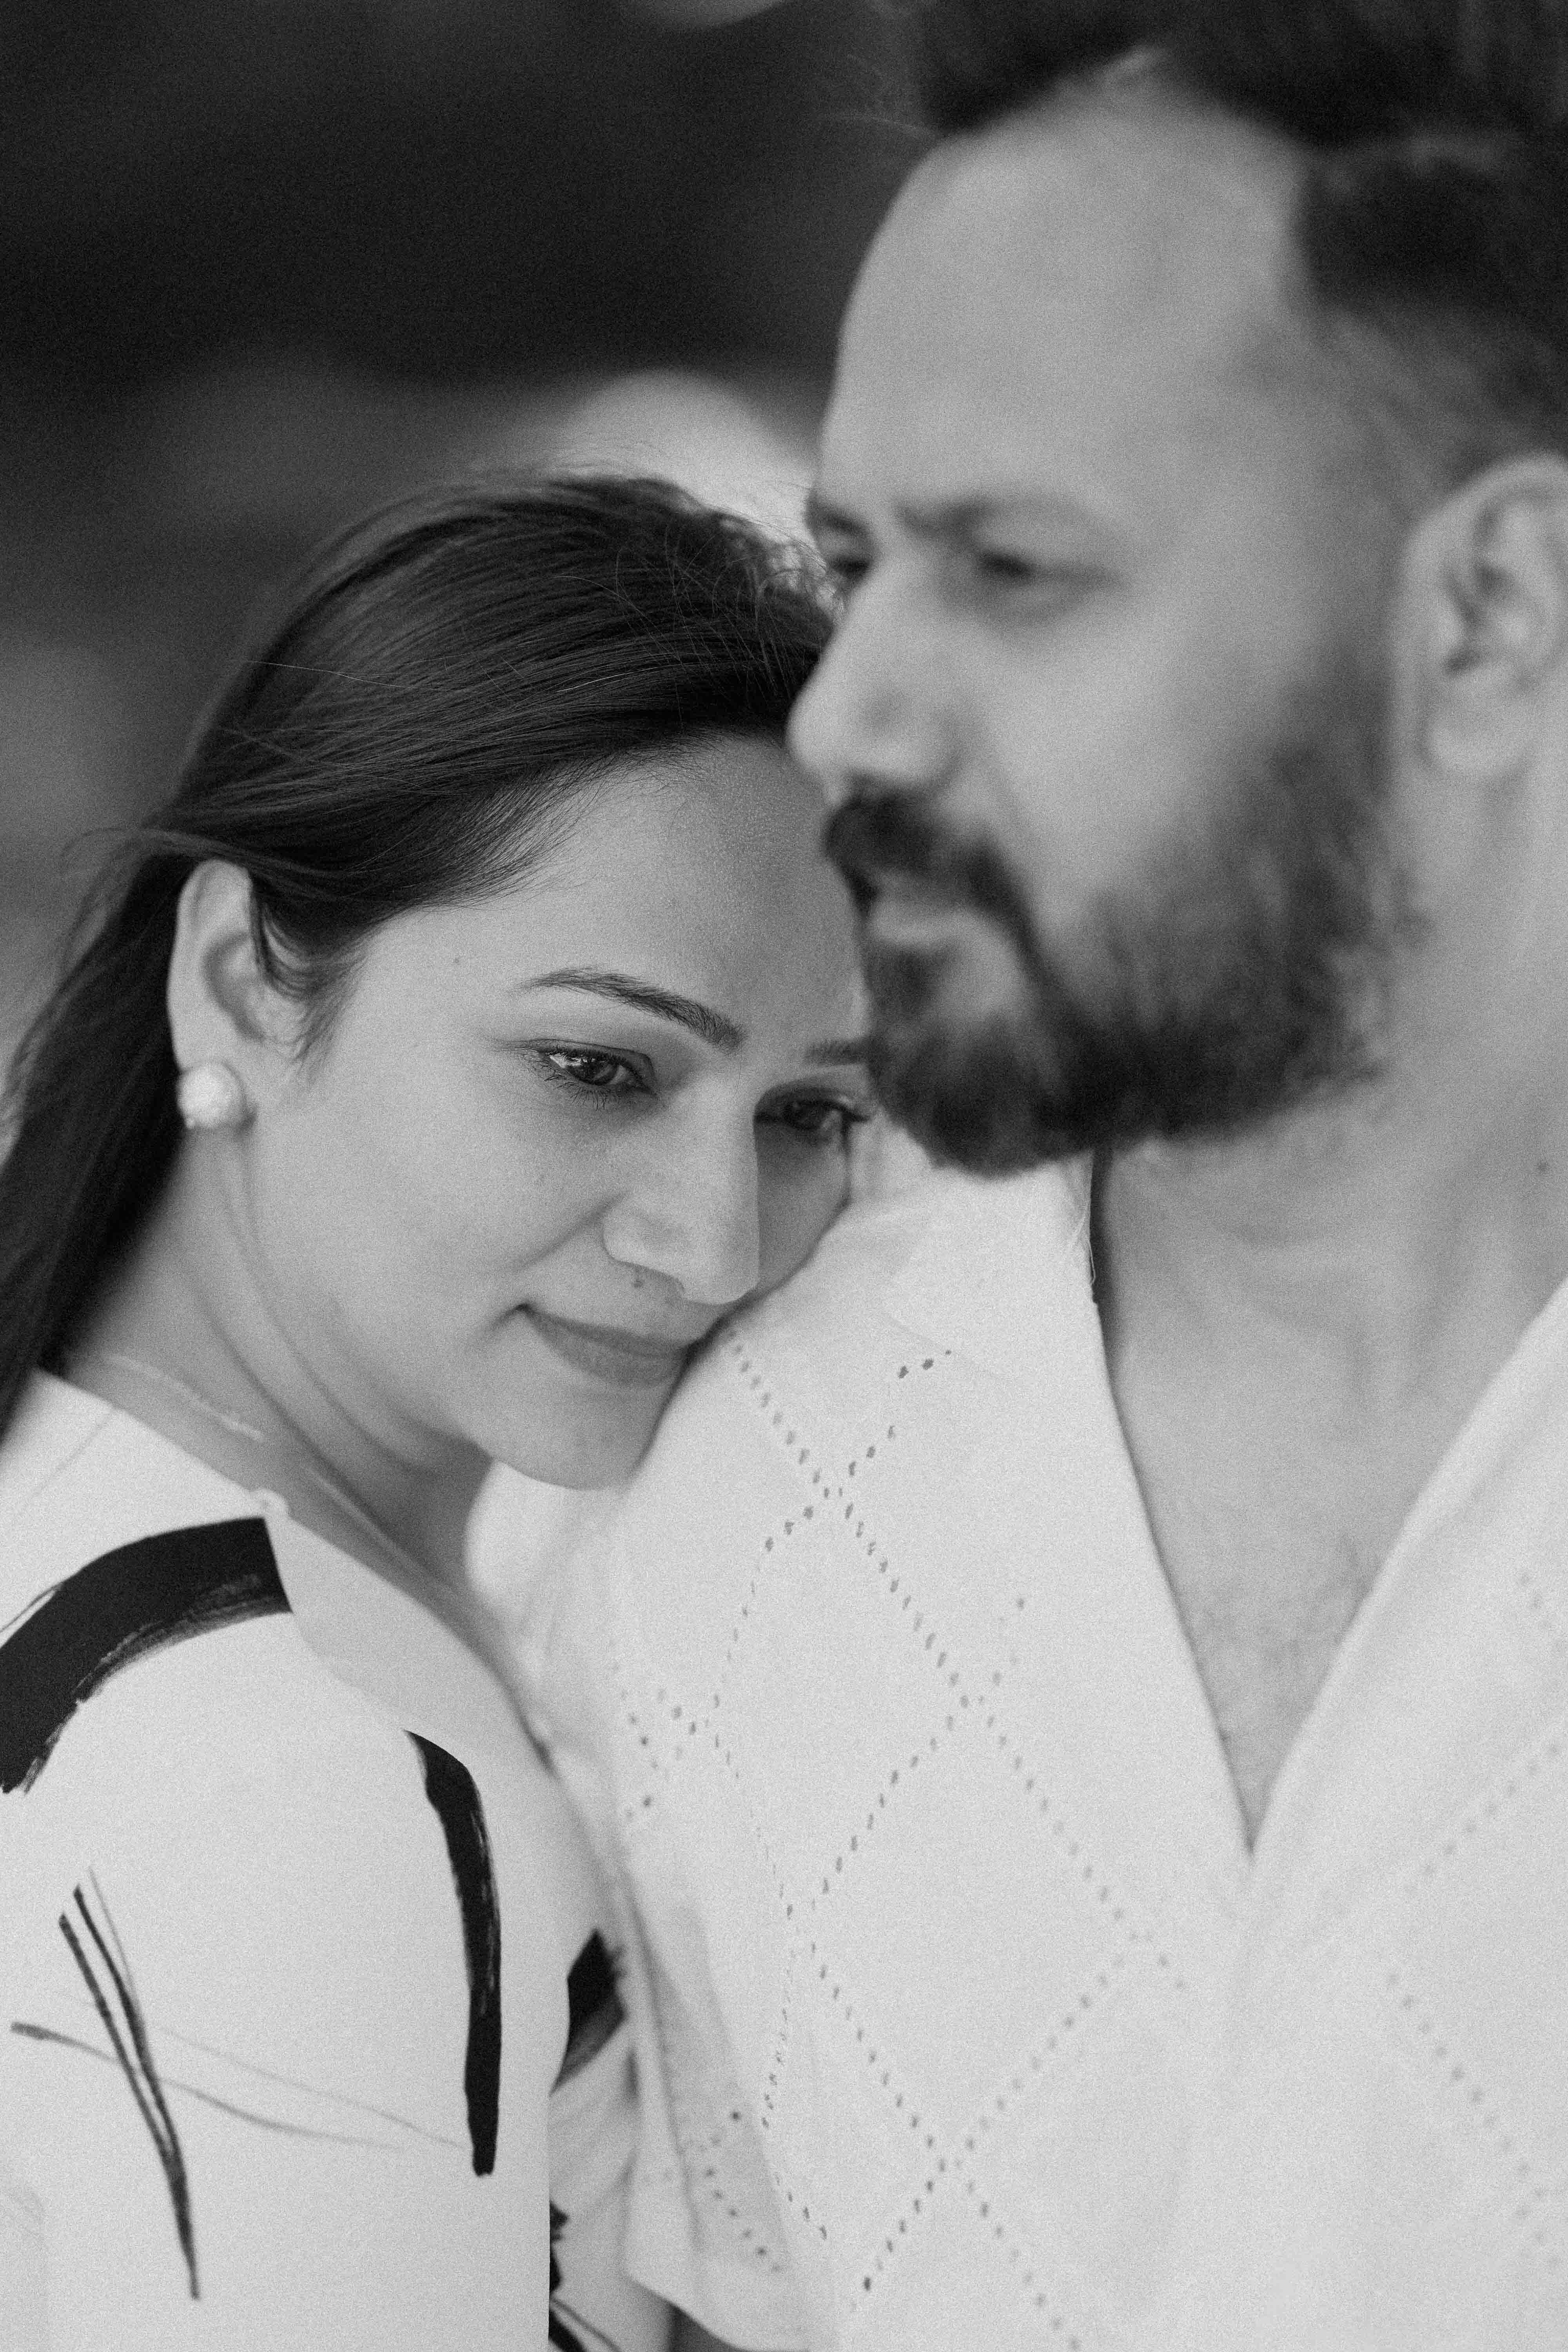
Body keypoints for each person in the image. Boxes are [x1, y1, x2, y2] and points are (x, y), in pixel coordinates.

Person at [518, 5, 1568, 2347]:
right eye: (853, 562)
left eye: (1010, 569)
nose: (845, 715)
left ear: (1489, 616)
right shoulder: (679, 1495)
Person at [0, 473, 871, 2349]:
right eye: (597, 1068)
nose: (717, 1242)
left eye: (811, 1115)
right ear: (240, 981)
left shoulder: (90, 1516)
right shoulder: (298, 1788)